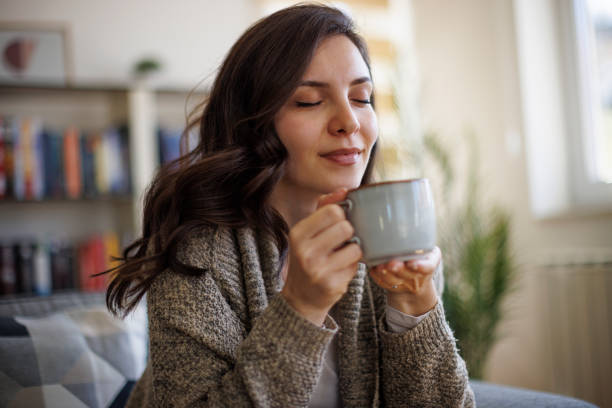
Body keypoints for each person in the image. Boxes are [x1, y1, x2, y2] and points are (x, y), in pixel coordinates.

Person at [105, 4, 475, 407]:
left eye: (361, 97)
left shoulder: (390, 242)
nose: (349, 122)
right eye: (309, 101)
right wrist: (301, 306)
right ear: (254, 124)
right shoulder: (197, 255)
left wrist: (415, 306)